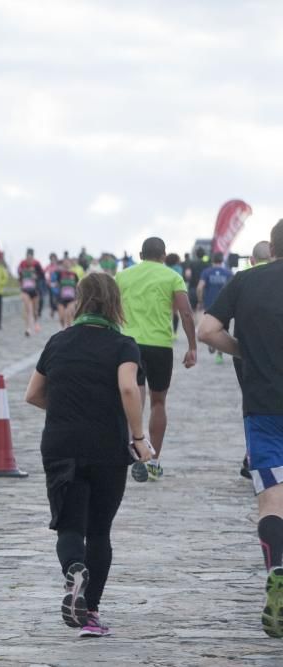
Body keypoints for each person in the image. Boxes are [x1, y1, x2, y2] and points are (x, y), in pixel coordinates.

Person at [25, 272, 149, 638]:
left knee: (69, 527)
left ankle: (74, 568)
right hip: (107, 446)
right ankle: (90, 613)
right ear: (115, 303)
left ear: (79, 300)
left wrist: (67, 410)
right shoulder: (123, 344)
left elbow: (32, 394)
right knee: (99, 531)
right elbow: (129, 387)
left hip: (61, 445)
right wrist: (139, 437)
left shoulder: (58, 342)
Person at [198, 220, 283, 638]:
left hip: (263, 408)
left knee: (272, 501)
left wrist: (242, 351)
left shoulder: (245, 281)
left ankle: (278, 568)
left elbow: (206, 330)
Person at [115, 237, 196, 483]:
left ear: (140, 254)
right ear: (163, 255)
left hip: (129, 345)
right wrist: (192, 346)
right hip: (160, 345)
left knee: (134, 399)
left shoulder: (123, 277)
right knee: (158, 403)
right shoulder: (172, 277)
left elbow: (110, 307)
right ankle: (153, 461)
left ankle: (134, 449)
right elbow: (185, 312)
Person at [233, 240, 273, 480]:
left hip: (247, 352)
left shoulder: (244, 280)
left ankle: (252, 456)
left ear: (252, 260)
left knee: (251, 403)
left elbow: (210, 328)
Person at [197, 251, 233, 364]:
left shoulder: (206, 272)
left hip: (210, 305)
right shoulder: (228, 273)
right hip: (224, 305)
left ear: (212, 260)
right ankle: (219, 354)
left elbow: (199, 287)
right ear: (222, 260)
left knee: (209, 327)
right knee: (223, 330)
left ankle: (211, 343)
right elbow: (233, 289)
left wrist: (200, 300)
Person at [17, 248, 44, 336]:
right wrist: (20, 282)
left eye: (31, 257)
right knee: (27, 308)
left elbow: (42, 275)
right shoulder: (22, 263)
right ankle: (28, 328)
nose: (29, 259)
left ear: (33, 257)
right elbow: (19, 274)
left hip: (34, 290)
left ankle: (36, 323)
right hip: (25, 290)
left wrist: (36, 277)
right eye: (28, 257)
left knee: (35, 310)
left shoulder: (37, 264)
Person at [55, 259, 80, 329]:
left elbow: (78, 286)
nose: (66, 265)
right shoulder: (59, 274)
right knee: (61, 318)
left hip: (72, 298)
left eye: (68, 263)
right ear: (63, 265)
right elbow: (55, 284)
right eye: (65, 263)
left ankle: (68, 330)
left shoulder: (74, 274)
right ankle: (63, 329)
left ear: (71, 265)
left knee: (68, 314)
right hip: (61, 298)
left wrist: (78, 298)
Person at [185, 247, 209, 313]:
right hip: (204, 290)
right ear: (204, 255)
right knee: (202, 311)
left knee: (192, 311)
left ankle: (194, 323)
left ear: (196, 254)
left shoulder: (192, 263)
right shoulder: (207, 265)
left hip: (193, 289)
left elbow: (187, 275)